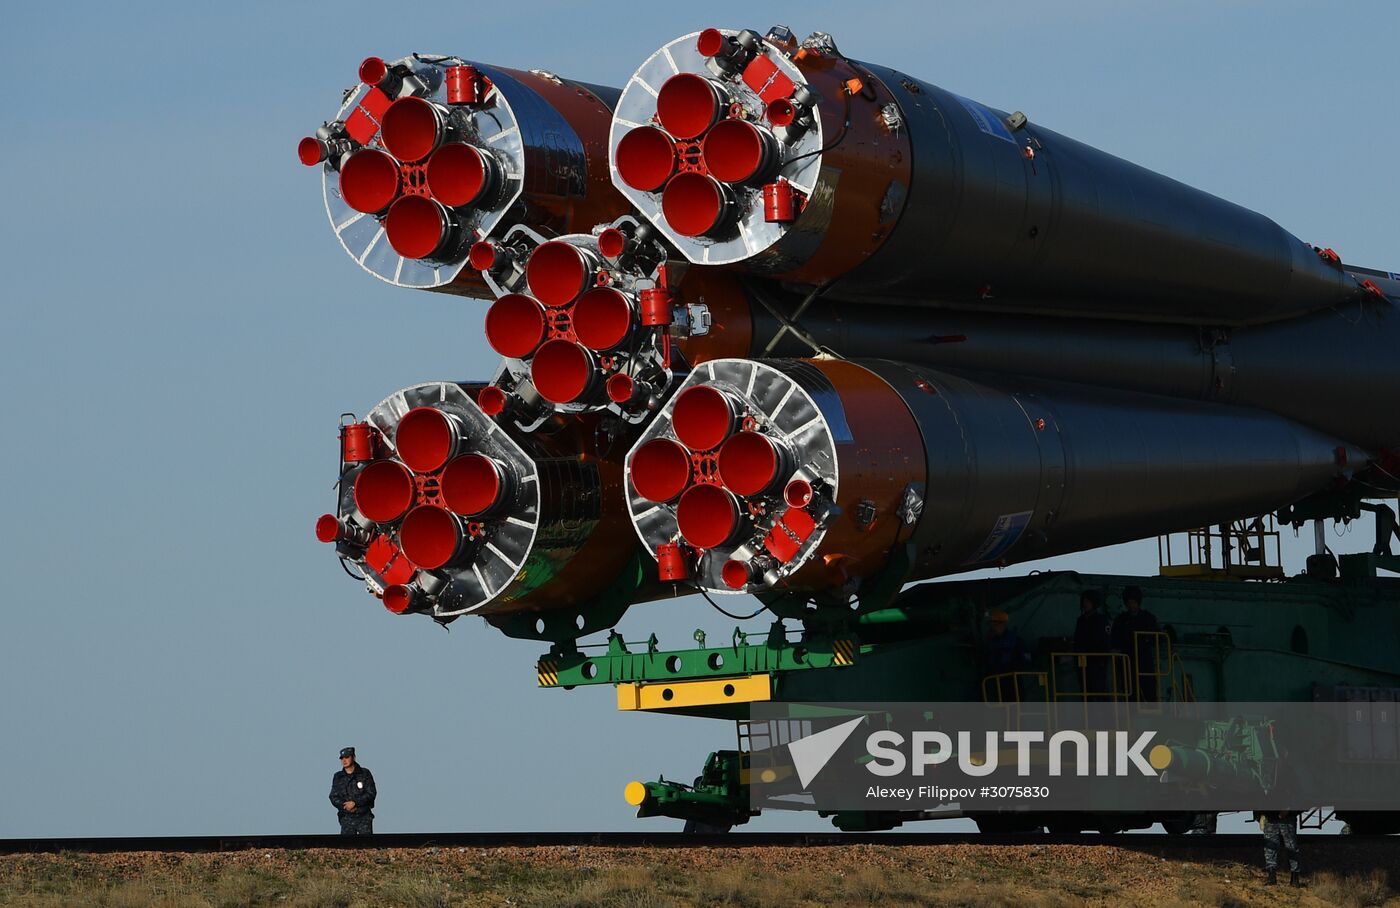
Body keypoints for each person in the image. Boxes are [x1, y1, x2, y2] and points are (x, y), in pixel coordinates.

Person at [1111, 586, 1159, 702]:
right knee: (1130, 689)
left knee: (1148, 688)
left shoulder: (1148, 618)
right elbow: (1115, 638)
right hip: (1127, 660)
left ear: (1138, 602)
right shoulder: (1121, 620)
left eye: (1133, 602)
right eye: (1129, 602)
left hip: (1144, 659)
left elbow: (1156, 637)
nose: (1131, 605)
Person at [1073, 590, 1112, 695]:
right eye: (1084, 601)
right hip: (1083, 662)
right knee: (1085, 691)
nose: (1085, 604)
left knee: (1098, 691)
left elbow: (1104, 642)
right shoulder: (1081, 621)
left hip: (1096, 662)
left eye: (1088, 601)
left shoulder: (1101, 620)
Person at [329, 746, 376, 835]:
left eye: (347, 757)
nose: (344, 760)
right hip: (346, 817)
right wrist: (346, 806)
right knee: (347, 846)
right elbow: (333, 796)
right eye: (342, 758)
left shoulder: (364, 773)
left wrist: (355, 803)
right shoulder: (338, 777)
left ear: (353, 757)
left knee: (367, 845)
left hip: (363, 816)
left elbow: (371, 793)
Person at [1256, 809, 1301, 886]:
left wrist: (1288, 809)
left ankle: (1294, 878)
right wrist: (1259, 815)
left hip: (1287, 818)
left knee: (1291, 847)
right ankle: (1272, 877)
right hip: (1271, 818)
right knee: (1270, 848)